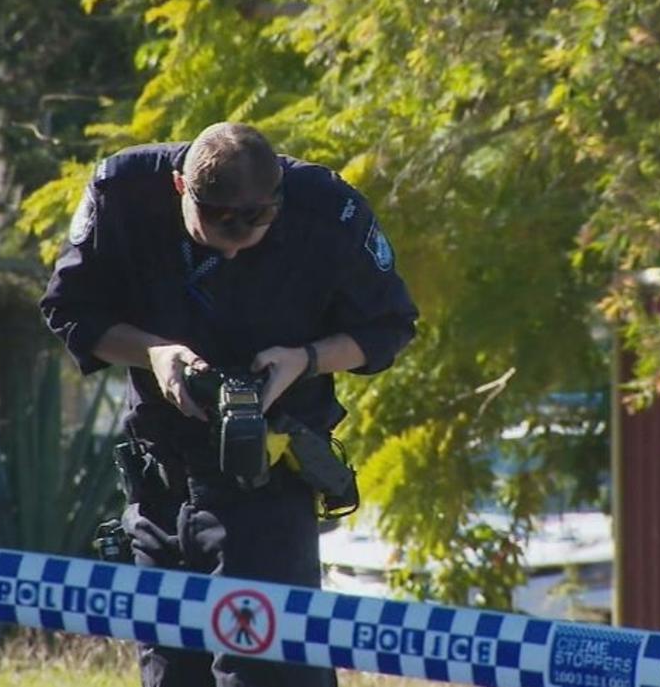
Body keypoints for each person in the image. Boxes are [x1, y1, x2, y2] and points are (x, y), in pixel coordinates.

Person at [41, 122, 418, 687]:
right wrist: (156, 354)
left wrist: (304, 359)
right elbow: (69, 310)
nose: (239, 235)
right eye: (219, 220)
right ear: (179, 188)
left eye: (258, 219)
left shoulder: (329, 210)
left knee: (271, 676)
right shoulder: (122, 192)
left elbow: (390, 326)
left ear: (279, 200)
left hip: (267, 489)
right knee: (171, 676)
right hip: (160, 489)